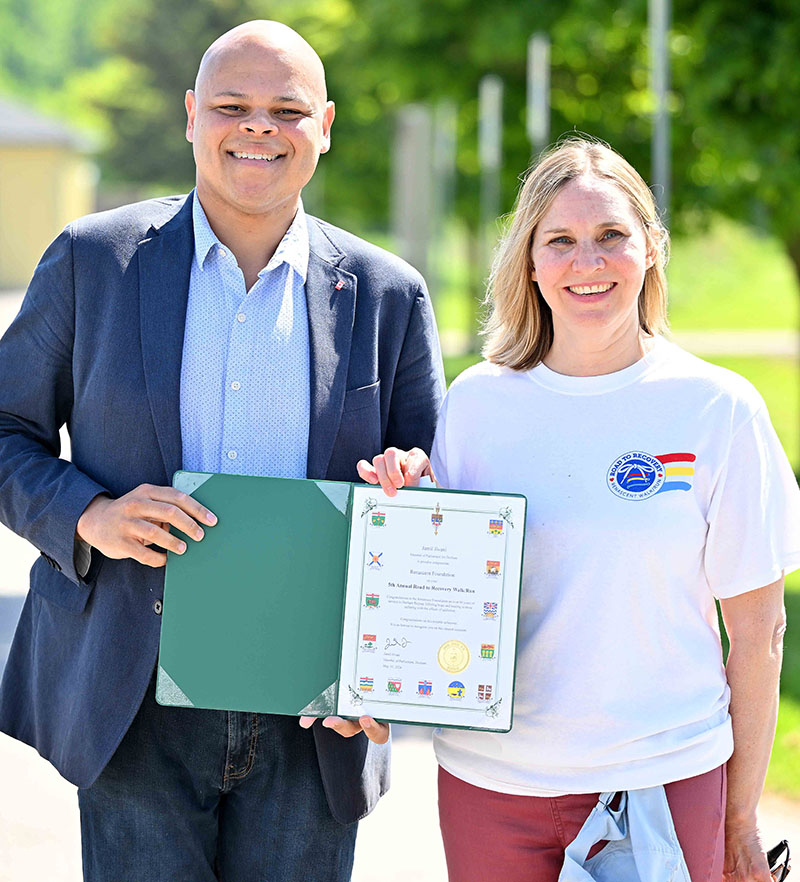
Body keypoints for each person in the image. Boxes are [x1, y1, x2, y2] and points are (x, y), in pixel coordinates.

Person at [0, 20, 444, 881]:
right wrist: (91, 515)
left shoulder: (388, 296)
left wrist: (413, 495)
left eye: (287, 108)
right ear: (192, 115)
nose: (259, 126)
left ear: (326, 125)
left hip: (315, 713)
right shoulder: (95, 261)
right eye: (233, 105)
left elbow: (434, 498)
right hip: (134, 696)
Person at [359, 138, 800, 882]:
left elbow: (759, 632)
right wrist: (405, 509)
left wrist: (738, 818)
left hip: (662, 777)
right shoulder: (478, 404)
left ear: (652, 248)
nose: (586, 262)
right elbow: (445, 600)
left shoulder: (716, 408)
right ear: (529, 262)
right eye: (559, 241)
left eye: (611, 236)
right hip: (490, 784)